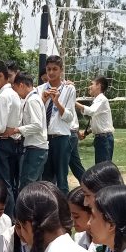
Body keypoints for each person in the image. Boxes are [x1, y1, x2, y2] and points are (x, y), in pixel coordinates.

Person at [0, 60, 22, 217]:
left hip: (4, 144)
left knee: (4, 183)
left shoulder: (3, 96)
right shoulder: (15, 93)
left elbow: (0, 127)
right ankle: (15, 215)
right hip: (15, 142)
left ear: (1, 75)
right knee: (13, 184)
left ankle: (8, 218)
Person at [39, 55, 77, 196]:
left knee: (62, 178)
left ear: (61, 70)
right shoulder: (40, 89)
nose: (51, 72)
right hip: (44, 138)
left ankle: (65, 213)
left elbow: (69, 117)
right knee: (46, 178)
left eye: (55, 69)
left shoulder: (69, 89)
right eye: (48, 69)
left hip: (61, 137)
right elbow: (35, 114)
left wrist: (57, 102)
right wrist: (43, 99)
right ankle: (48, 209)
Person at [7, 71, 48, 192]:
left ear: (21, 85)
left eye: (15, 88)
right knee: (35, 188)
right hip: (36, 147)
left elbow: (37, 125)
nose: (16, 93)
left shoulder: (32, 100)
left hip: (36, 148)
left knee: (26, 187)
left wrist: (16, 130)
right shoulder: (33, 98)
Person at [76, 76, 115, 164]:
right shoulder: (98, 100)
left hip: (104, 139)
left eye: (92, 84)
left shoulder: (101, 99)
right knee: (102, 168)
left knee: (103, 169)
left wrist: (73, 102)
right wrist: (87, 132)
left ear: (99, 86)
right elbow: (99, 123)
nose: (90, 87)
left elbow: (91, 111)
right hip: (101, 138)